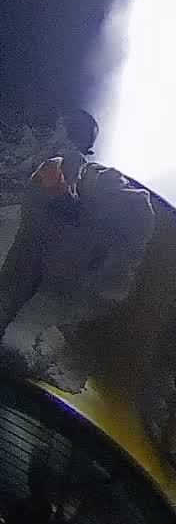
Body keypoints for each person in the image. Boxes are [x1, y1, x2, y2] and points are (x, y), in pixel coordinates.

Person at [0, 108, 155, 391]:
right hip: (38, 290)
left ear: (81, 150)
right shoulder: (42, 187)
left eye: (62, 142)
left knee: (15, 348)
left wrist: (59, 331)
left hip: (66, 304)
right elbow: (22, 260)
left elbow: (112, 288)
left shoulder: (127, 205)